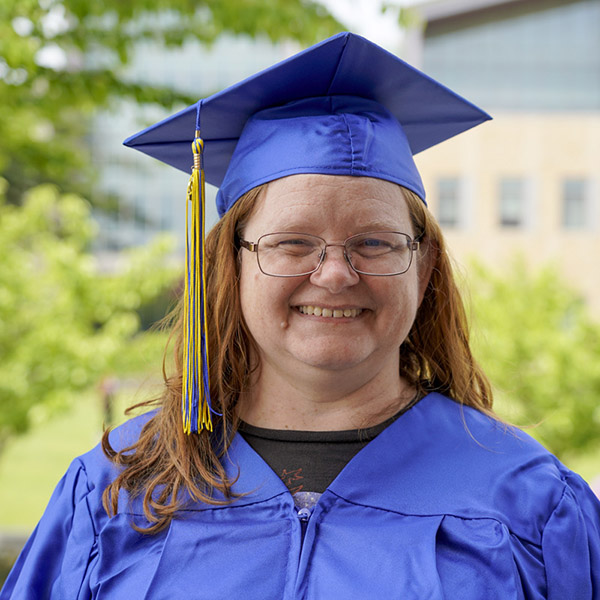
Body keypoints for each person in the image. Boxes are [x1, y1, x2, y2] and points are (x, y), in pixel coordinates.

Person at [2, 32, 599, 599]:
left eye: (375, 243)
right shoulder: (113, 492)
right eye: (291, 243)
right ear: (229, 266)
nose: (336, 273)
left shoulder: (533, 504)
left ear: (424, 265)